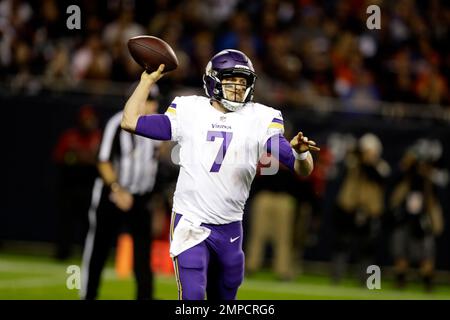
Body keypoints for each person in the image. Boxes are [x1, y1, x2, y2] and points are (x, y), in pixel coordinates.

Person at [120, 49, 320, 300]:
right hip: (191, 220)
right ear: (213, 80)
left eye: (242, 81)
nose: (238, 87)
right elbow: (130, 121)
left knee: (225, 298)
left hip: (230, 226)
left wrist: (301, 154)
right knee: (192, 296)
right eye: (231, 80)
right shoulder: (190, 109)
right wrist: (146, 81)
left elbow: (303, 169)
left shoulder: (260, 117)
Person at [80, 88, 162, 300]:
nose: (152, 105)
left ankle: (145, 297)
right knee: (98, 249)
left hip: (141, 197)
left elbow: (154, 164)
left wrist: (155, 199)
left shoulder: (157, 126)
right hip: (113, 194)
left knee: (143, 256)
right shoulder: (118, 122)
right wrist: (117, 189)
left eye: (154, 100)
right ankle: (88, 295)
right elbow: (103, 160)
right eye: (148, 99)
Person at [330, 133, 390, 285]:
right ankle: (337, 277)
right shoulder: (353, 163)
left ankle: (368, 281)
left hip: (370, 212)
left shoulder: (381, 167)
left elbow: (380, 178)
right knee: (342, 243)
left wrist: (369, 162)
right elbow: (343, 169)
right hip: (348, 209)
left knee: (367, 248)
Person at [389, 140, 444, 292]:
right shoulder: (406, 172)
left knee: (426, 252)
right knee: (401, 250)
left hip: (423, 217)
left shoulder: (430, 175)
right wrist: (407, 164)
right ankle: (401, 280)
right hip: (405, 217)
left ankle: (428, 283)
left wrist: (427, 171)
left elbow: (437, 190)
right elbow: (393, 180)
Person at [52, 105, 101, 260]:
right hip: (69, 186)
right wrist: (78, 159)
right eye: (85, 119)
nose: (88, 122)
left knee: (89, 223)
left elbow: (101, 160)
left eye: (90, 119)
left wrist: (81, 158)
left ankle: (88, 254)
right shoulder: (70, 136)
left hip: (89, 187)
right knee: (66, 222)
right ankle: (62, 253)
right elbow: (60, 158)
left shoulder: (98, 137)